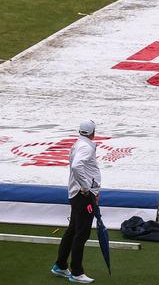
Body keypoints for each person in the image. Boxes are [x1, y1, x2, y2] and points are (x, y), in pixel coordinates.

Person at [51, 120, 101, 284]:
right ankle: (77, 272)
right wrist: (87, 188)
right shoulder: (86, 147)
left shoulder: (79, 144)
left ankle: (60, 265)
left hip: (77, 193)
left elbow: (78, 167)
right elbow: (76, 166)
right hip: (82, 195)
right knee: (82, 233)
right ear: (93, 132)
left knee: (72, 230)